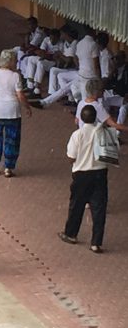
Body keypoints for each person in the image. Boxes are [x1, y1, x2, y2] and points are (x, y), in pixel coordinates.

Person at [59, 106, 109, 253]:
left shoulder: (77, 134)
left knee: (77, 205)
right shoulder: (103, 133)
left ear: (81, 118)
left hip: (82, 174)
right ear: (95, 118)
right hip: (100, 172)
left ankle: (71, 234)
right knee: (99, 208)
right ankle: (96, 243)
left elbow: (71, 157)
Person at [0, 49, 32, 177]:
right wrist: (27, 107)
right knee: (12, 139)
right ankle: (8, 168)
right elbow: (20, 95)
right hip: (12, 111)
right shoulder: (15, 76)